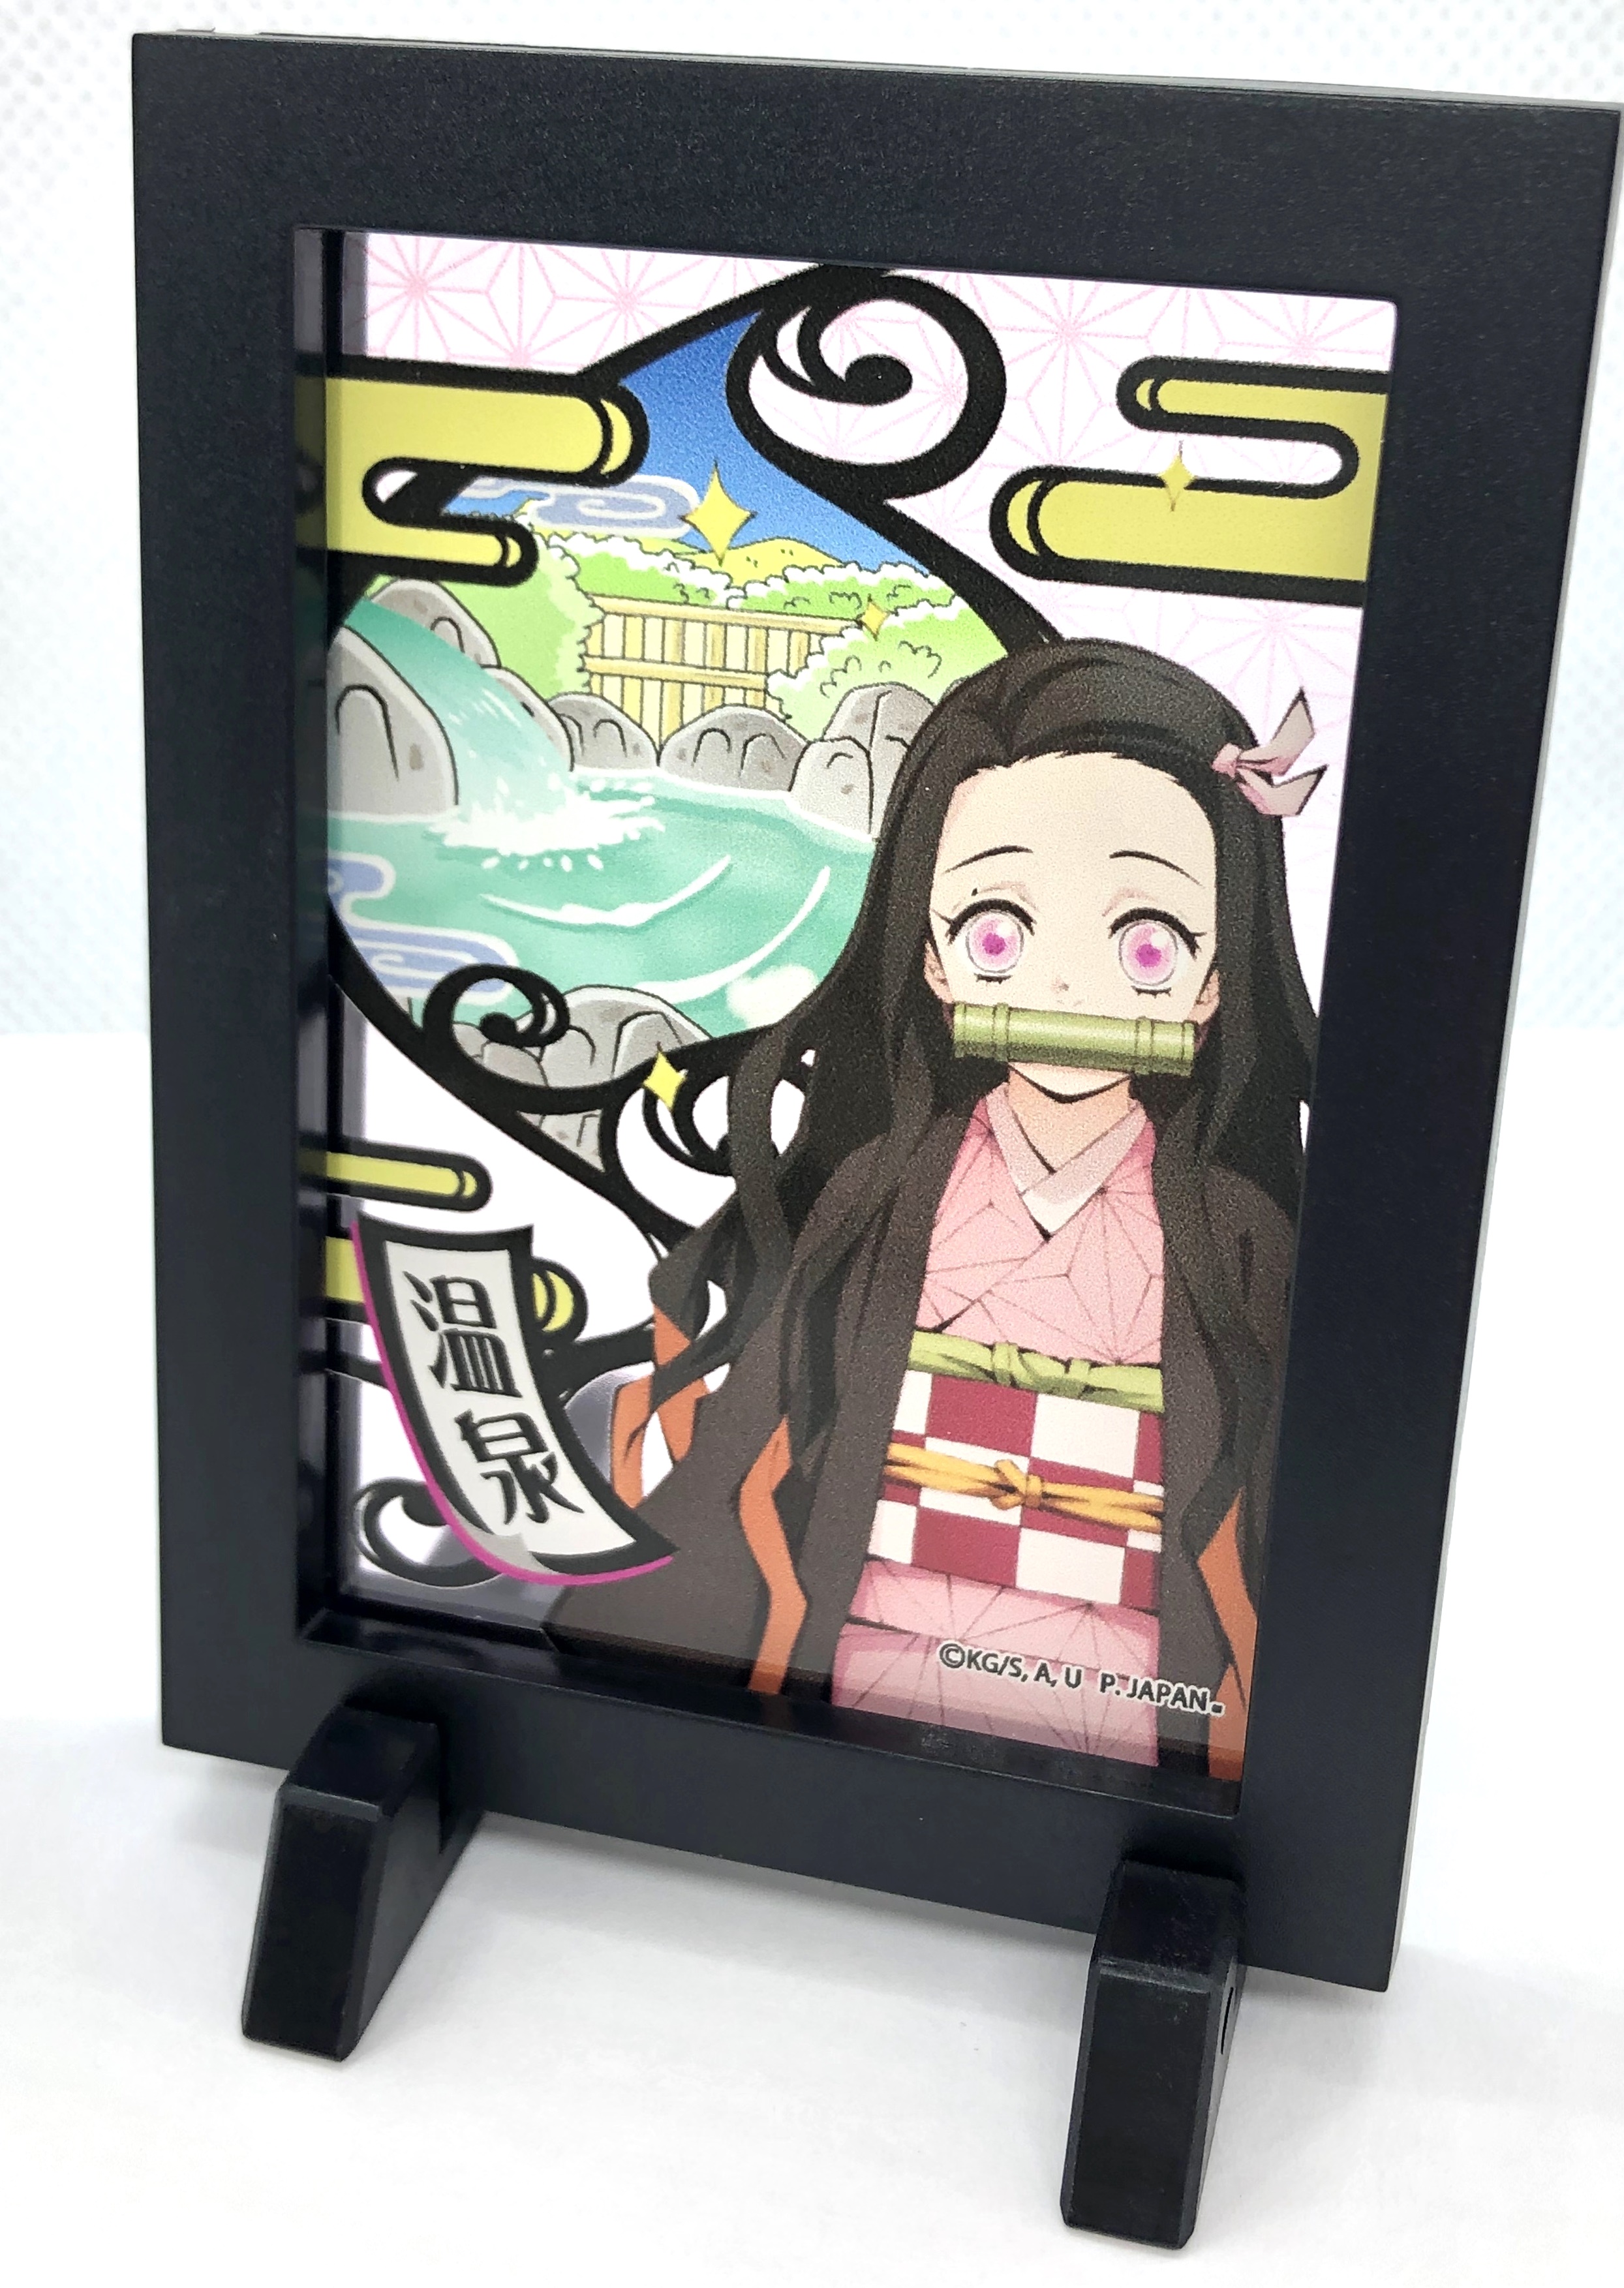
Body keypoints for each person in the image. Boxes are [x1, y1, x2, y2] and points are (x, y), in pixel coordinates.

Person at [545, 639, 1318, 1779]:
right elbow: (761, 1435)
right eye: (998, 932)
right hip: (866, 1659)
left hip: (1132, 1688)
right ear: (935, 959)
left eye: (1147, 943)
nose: (1065, 987)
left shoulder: (1239, 1233)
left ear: (1213, 979)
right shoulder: (881, 1187)